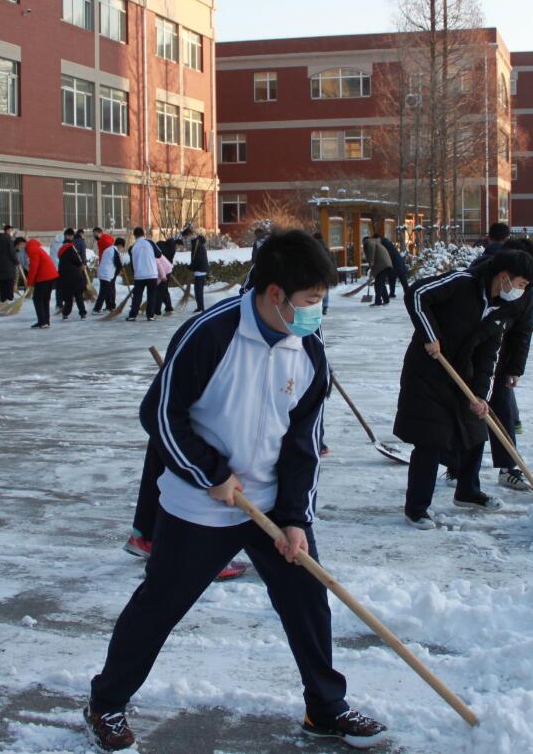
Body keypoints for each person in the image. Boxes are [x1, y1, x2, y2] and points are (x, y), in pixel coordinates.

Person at [85, 230, 387, 752]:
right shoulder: (211, 333)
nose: (318, 312)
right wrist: (211, 472)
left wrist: (295, 518)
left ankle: (325, 707)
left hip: (270, 501)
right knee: (160, 605)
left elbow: (304, 444)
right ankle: (106, 703)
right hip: (199, 504)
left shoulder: (309, 350)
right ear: (275, 293)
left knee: (308, 602)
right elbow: (158, 415)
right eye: (311, 301)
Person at [395, 247, 533, 529]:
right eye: (520, 285)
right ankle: (417, 508)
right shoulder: (463, 282)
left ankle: (468, 491)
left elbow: (488, 355)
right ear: (505, 277)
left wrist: (480, 396)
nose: (521, 292)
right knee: (430, 439)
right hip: (429, 371)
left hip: (464, 374)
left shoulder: (501, 308)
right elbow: (418, 294)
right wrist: (430, 334)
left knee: (475, 429)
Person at [486, 238, 533, 492]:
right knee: (464, 411)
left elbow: (523, 330)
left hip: (501, 357)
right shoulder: (484, 277)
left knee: (502, 408)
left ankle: (508, 466)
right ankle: (456, 464)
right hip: (472, 356)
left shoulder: (525, 290)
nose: (523, 287)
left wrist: (515, 368)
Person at [126, 227, 160, 322]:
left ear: (134, 235)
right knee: (151, 295)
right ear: (143, 233)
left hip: (139, 275)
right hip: (152, 274)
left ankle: (133, 315)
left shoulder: (133, 247)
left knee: (137, 296)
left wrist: (134, 273)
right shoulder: (150, 243)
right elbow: (159, 254)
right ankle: (150, 315)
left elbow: (132, 263)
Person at [24, 236, 58, 328]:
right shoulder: (38, 249)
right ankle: (46, 321)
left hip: (44, 277)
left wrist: (30, 282)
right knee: (45, 299)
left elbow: (34, 267)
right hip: (51, 276)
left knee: (37, 299)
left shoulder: (32, 250)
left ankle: (42, 322)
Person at [57, 229, 89, 320]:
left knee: (68, 297)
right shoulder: (70, 248)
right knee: (78, 296)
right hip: (74, 276)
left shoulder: (61, 250)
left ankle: (65, 313)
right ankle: (82, 313)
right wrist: (81, 264)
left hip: (64, 276)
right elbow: (76, 259)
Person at [183, 226, 209, 312]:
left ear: (190, 234)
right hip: (200, 269)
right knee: (198, 290)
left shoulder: (197, 244)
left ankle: (201, 307)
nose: (186, 239)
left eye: (186, 237)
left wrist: (191, 267)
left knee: (198, 290)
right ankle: (200, 307)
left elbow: (198, 259)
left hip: (200, 270)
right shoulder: (197, 242)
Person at [95, 237, 125, 313]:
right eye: (122, 247)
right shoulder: (114, 251)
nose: (121, 249)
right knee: (104, 292)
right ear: (120, 245)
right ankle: (96, 309)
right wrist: (120, 270)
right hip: (106, 274)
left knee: (107, 291)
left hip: (104, 273)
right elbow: (118, 264)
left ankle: (109, 306)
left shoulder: (109, 249)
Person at [0, 225, 20, 302]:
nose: (12, 232)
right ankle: (9, 298)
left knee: (2, 284)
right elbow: (11, 252)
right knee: (9, 283)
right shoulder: (8, 239)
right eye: (12, 230)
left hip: (0, 266)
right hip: (8, 266)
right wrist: (16, 261)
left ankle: (3, 298)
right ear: (8, 230)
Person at [155, 235, 180, 315]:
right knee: (163, 289)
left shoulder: (159, 244)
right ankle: (168, 307)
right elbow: (168, 261)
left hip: (162, 270)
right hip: (166, 270)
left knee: (160, 290)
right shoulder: (171, 249)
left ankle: (157, 310)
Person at [367, 233, 392, 306]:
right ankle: (386, 299)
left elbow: (372, 253)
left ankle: (378, 301)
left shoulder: (370, 243)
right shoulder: (377, 244)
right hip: (386, 265)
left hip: (382, 265)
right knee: (381, 283)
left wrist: (371, 262)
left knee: (378, 284)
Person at [380, 234, 407, 298]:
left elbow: (389, 257)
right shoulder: (390, 245)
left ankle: (393, 293)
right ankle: (407, 292)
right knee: (402, 280)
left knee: (393, 279)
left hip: (394, 265)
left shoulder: (386, 246)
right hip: (399, 265)